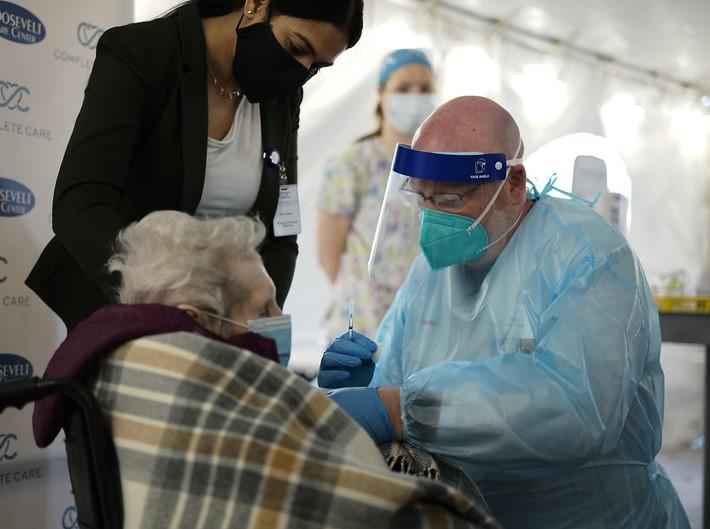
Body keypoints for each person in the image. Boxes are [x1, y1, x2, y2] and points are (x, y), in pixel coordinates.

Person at [318, 96, 691, 528]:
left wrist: (401, 409)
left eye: (450, 199)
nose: (433, 220)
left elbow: (577, 411)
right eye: (422, 200)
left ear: (513, 183)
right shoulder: (432, 272)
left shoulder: (590, 257)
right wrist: (367, 381)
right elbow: (396, 379)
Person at [32, 211, 501, 529]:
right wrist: (340, 416)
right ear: (199, 316)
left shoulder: (124, 353)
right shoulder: (197, 374)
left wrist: (318, 403)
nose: (280, 316)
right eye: (264, 305)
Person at [26, 0, 364, 330]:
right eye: (296, 47)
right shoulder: (144, 53)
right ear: (257, 5)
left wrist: (261, 322)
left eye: (317, 66)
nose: (301, 71)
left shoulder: (283, 98)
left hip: (221, 324)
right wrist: (161, 306)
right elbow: (81, 204)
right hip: (121, 306)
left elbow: (282, 231)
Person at [317, 49, 435, 340]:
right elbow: (328, 255)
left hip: (422, 328)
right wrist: (365, 296)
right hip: (361, 327)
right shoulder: (351, 165)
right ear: (381, 92)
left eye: (425, 89)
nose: (415, 96)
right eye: (403, 88)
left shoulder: (440, 169)